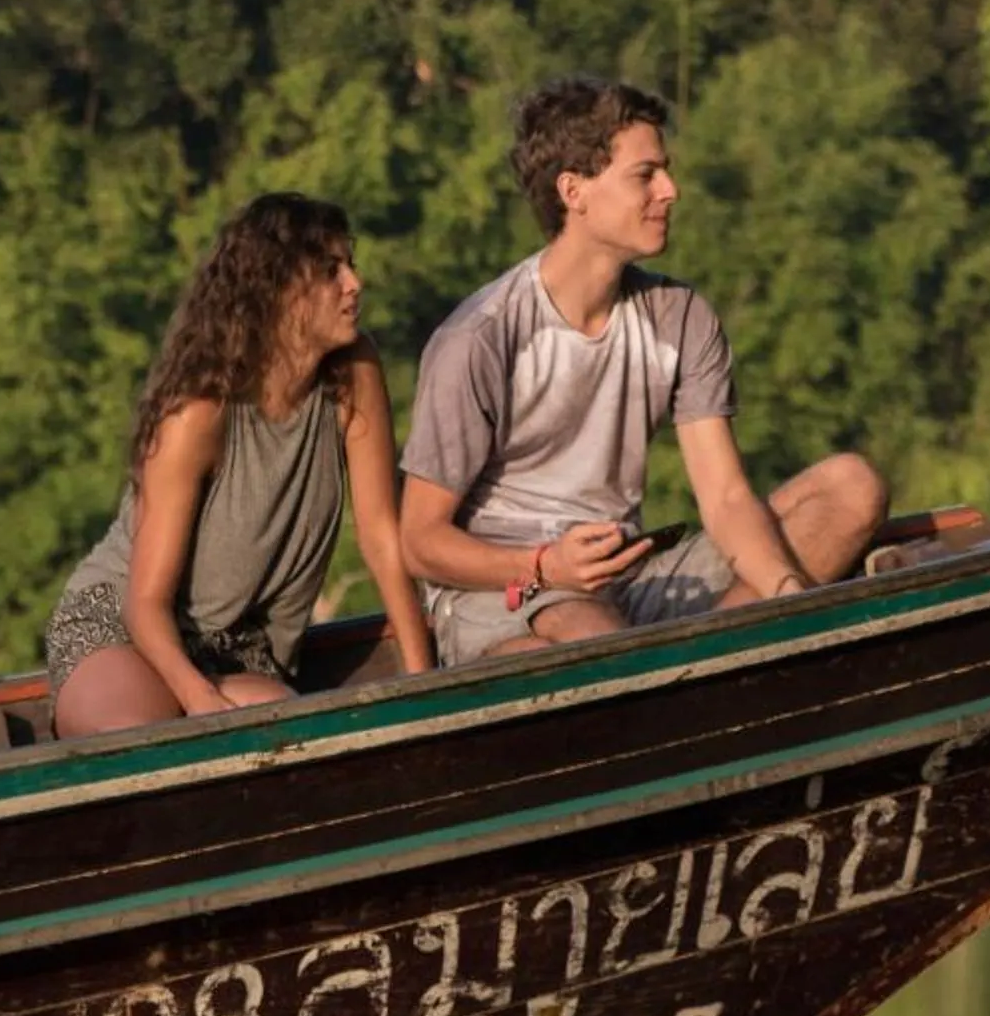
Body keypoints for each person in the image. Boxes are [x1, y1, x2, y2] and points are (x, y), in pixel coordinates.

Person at [399, 77, 889, 665]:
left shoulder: (681, 317)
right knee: (592, 633)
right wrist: (543, 565)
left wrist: (788, 594)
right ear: (573, 191)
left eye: (666, 170)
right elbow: (419, 542)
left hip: (629, 577)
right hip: (507, 589)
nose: (670, 190)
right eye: (645, 174)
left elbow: (728, 499)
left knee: (851, 489)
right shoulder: (479, 338)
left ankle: (718, 666)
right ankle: (686, 670)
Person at [44, 194, 435, 736]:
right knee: (140, 744)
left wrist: (423, 681)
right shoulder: (196, 416)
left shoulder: (355, 372)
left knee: (287, 741)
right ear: (277, 292)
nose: (354, 283)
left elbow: (381, 536)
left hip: (241, 647)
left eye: (351, 263)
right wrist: (199, 698)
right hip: (126, 625)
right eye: (330, 271)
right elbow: (146, 604)